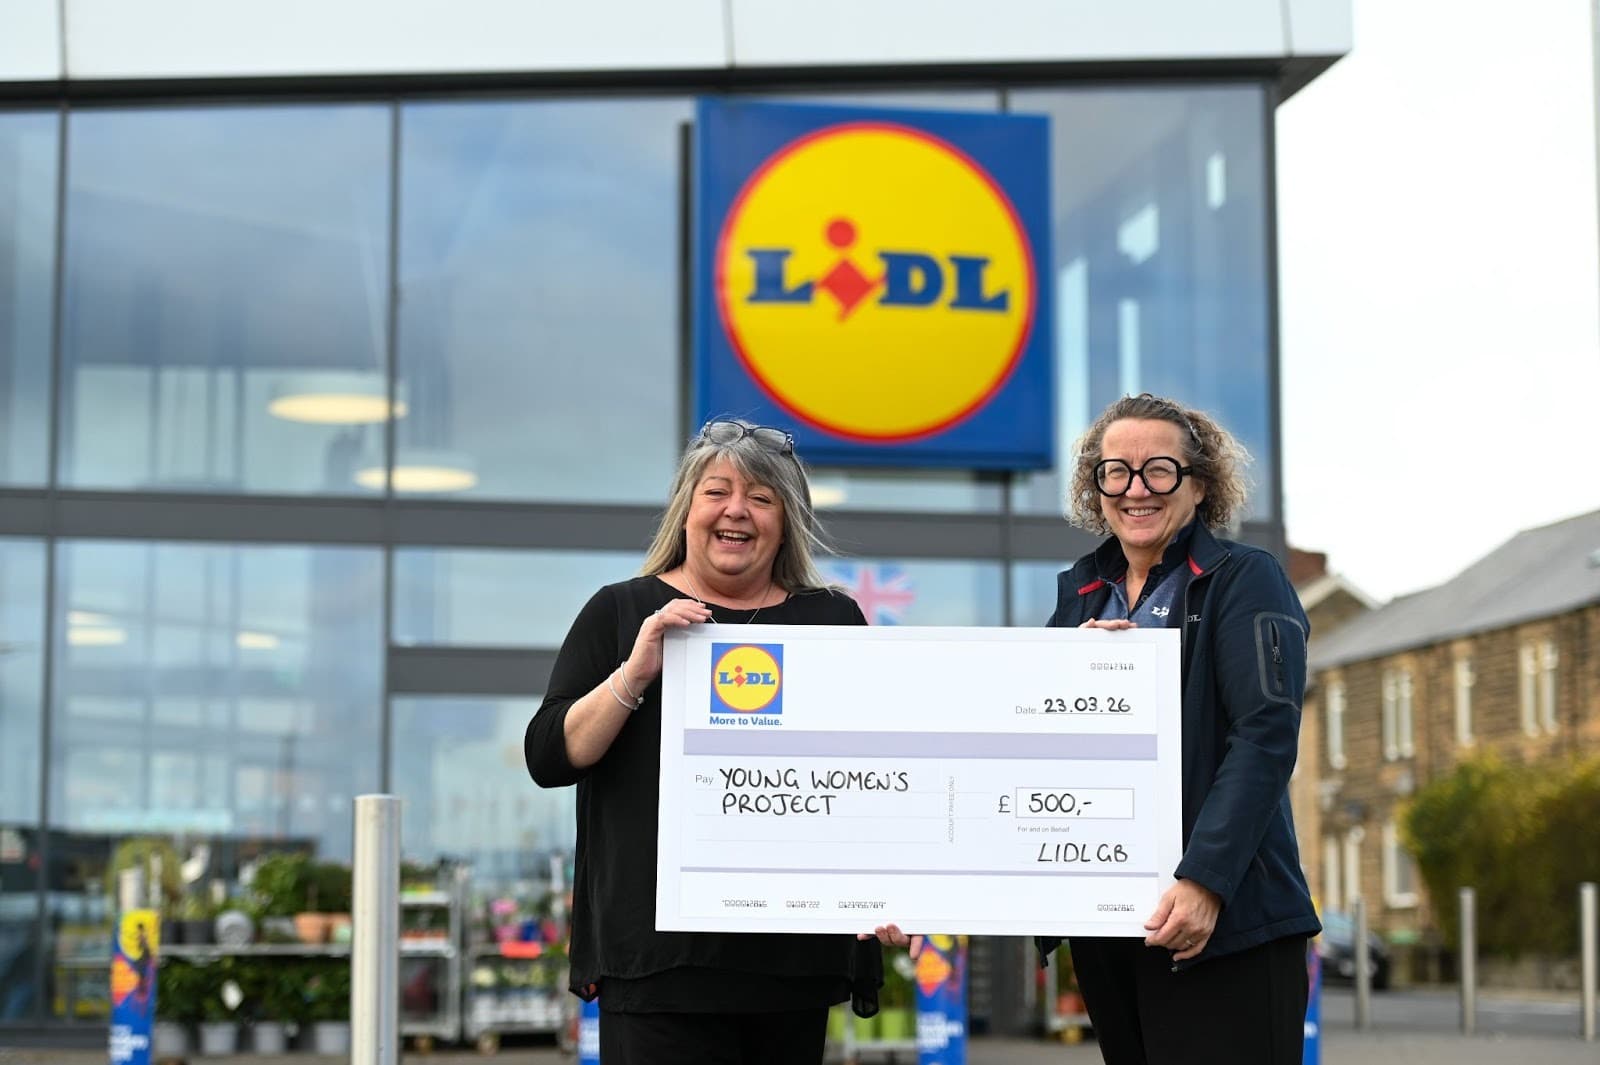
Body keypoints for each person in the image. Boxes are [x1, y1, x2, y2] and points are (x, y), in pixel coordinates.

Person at [867, 392, 1319, 1065]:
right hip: (1113, 932)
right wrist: (921, 888)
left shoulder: (1242, 579)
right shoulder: (1078, 597)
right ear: (1096, 487)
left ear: (1199, 486)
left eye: (1158, 469)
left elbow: (1265, 736)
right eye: (1116, 471)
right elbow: (1012, 763)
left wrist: (1206, 880)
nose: (1136, 489)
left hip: (1225, 925)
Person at [525, 419, 881, 1065]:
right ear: (687, 509)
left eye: (761, 497)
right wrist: (636, 669)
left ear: (785, 520)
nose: (736, 510)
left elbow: (875, 774)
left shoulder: (831, 619)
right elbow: (550, 756)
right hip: (659, 962)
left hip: (789, 959)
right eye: (717, 491)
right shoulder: (621, 611)